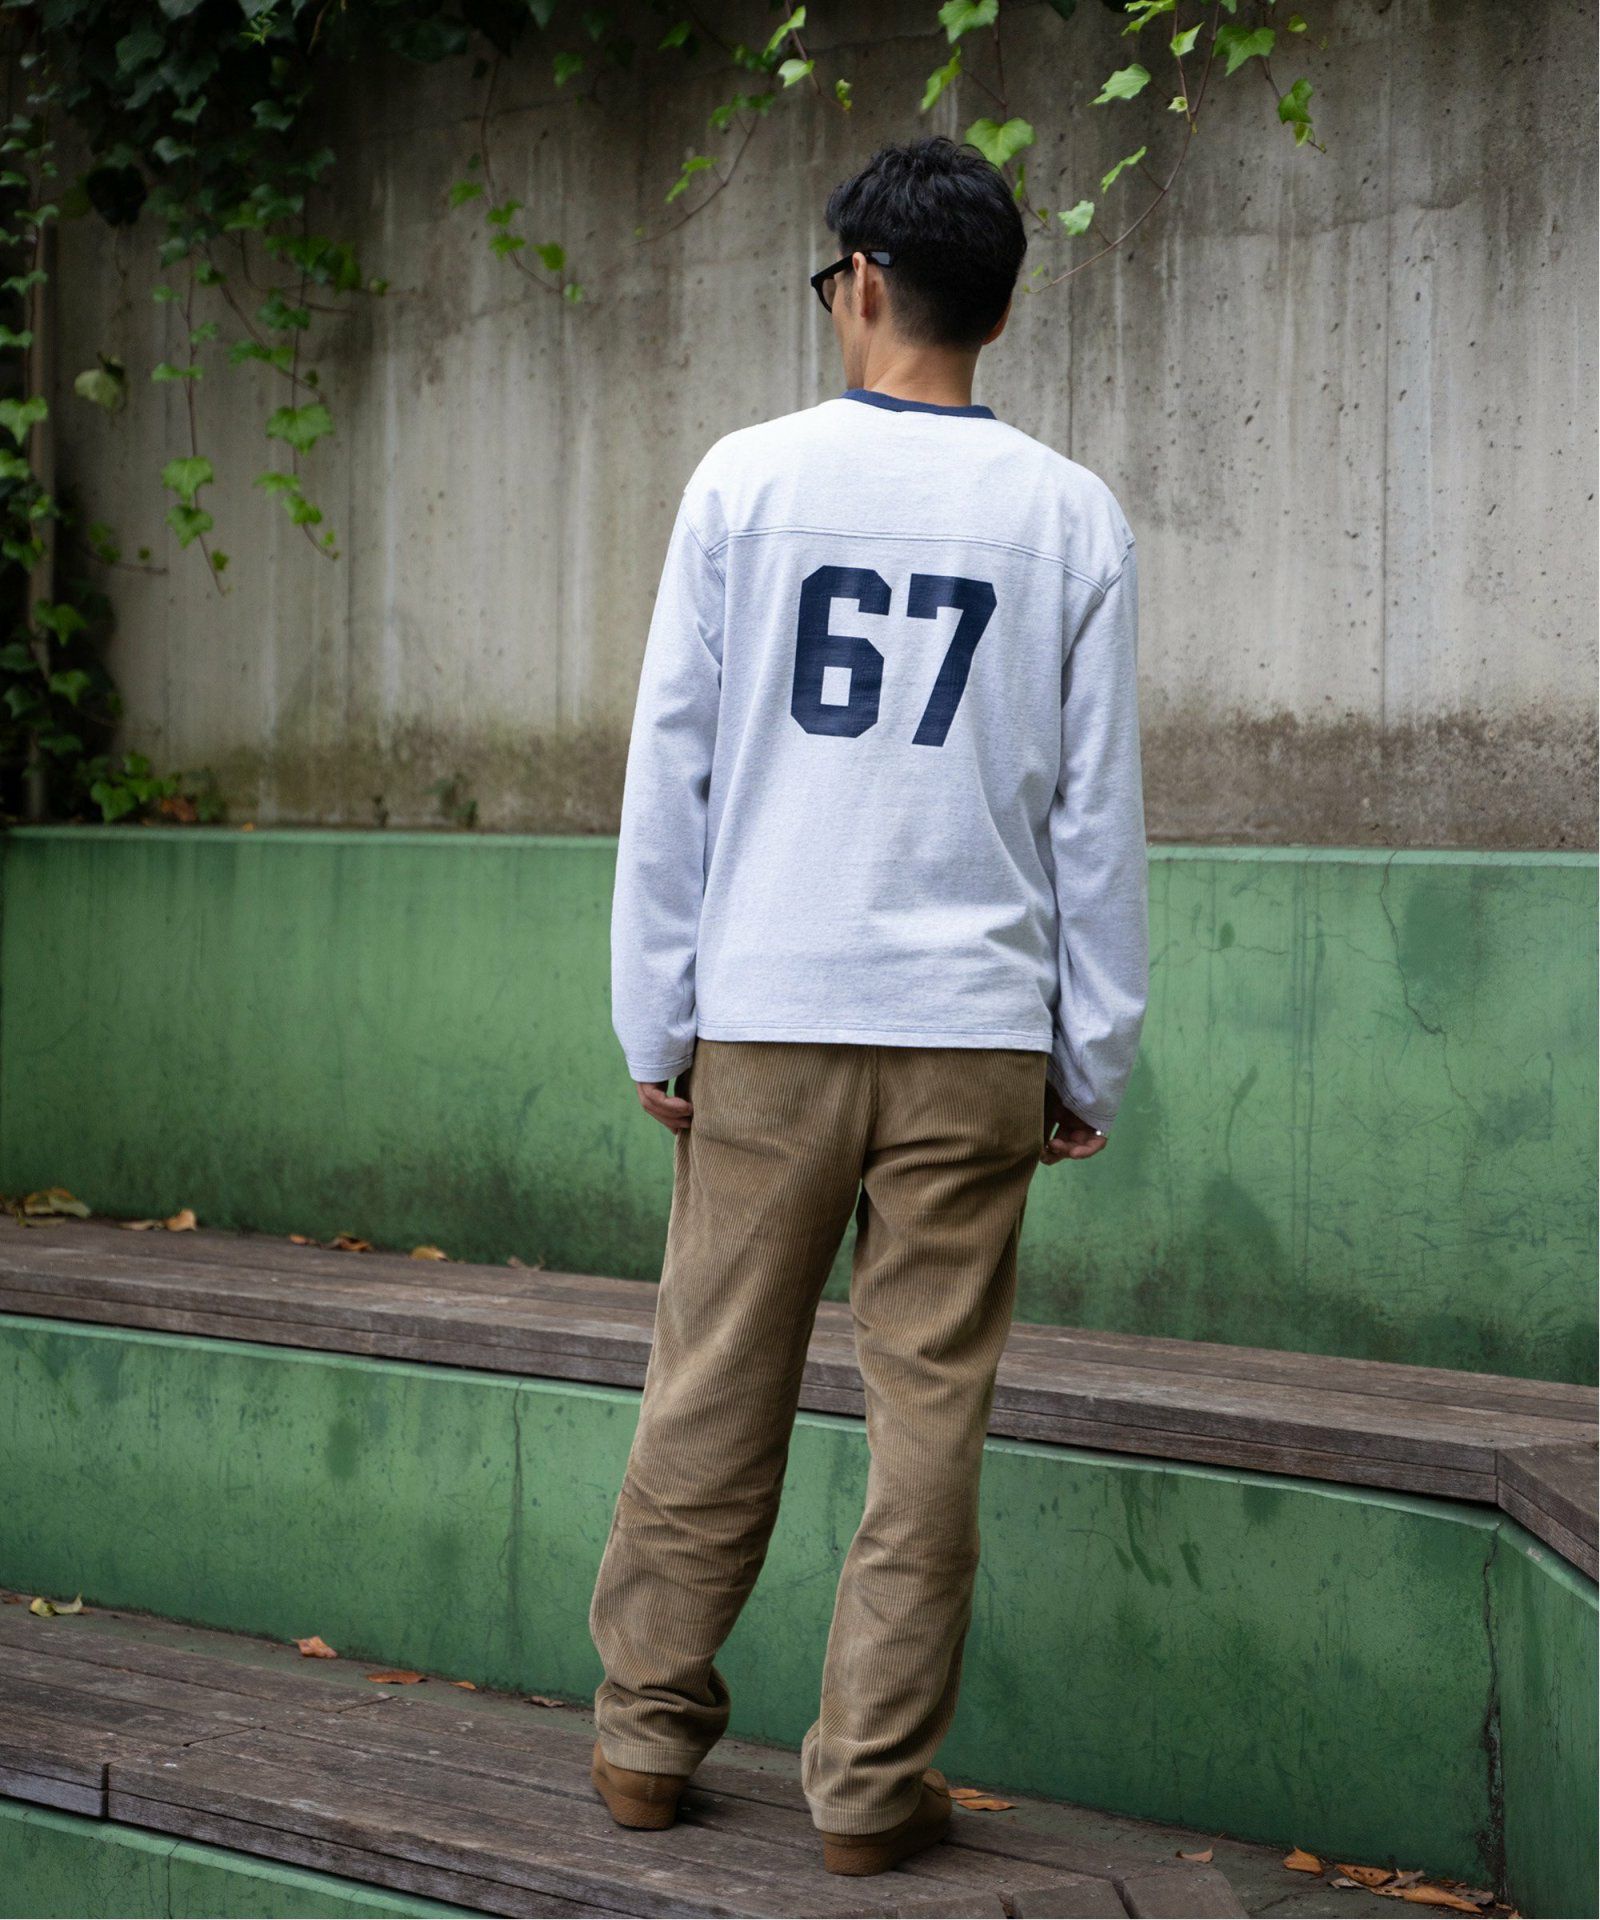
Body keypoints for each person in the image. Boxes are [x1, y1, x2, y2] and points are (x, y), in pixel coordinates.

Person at [587, 134, 1148, 1877]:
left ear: (865, 285)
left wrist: (656, 1017)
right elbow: (1096, 819)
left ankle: (643, 1739)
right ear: (998, 308)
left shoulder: (744, 483)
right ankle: (868, 1790)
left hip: (768, 1012)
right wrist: (1091, 1050)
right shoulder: (1071, 516)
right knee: (929, 1422)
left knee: (710, 1381)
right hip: (976, 1032)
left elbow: (671, 771)